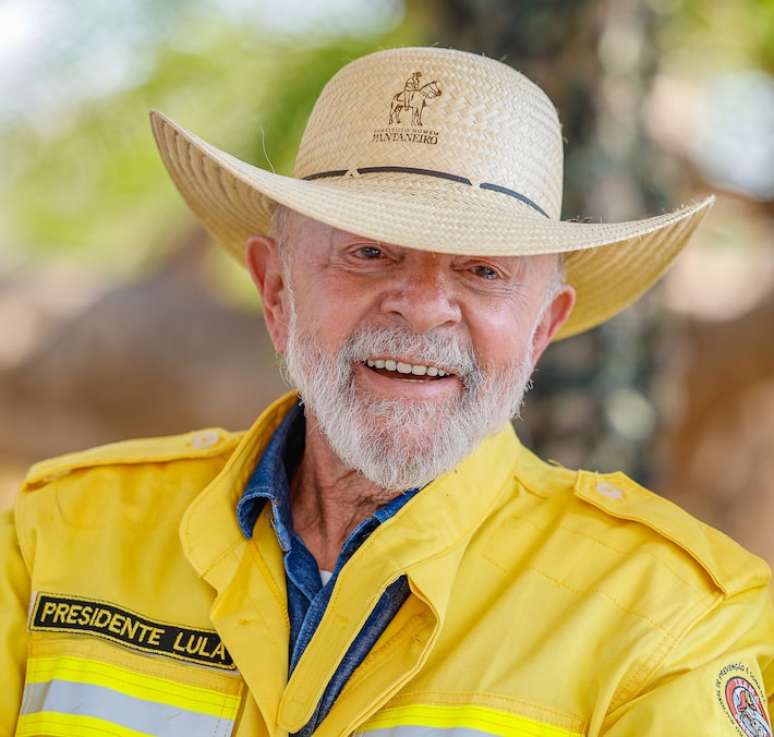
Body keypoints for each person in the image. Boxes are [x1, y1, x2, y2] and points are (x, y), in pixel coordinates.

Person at [2, 46, 772, 737]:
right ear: (276, 290)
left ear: (542, 327)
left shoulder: (673, 619)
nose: (423, 306)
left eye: (483, 270)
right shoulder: (58, 533)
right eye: (370, 252)